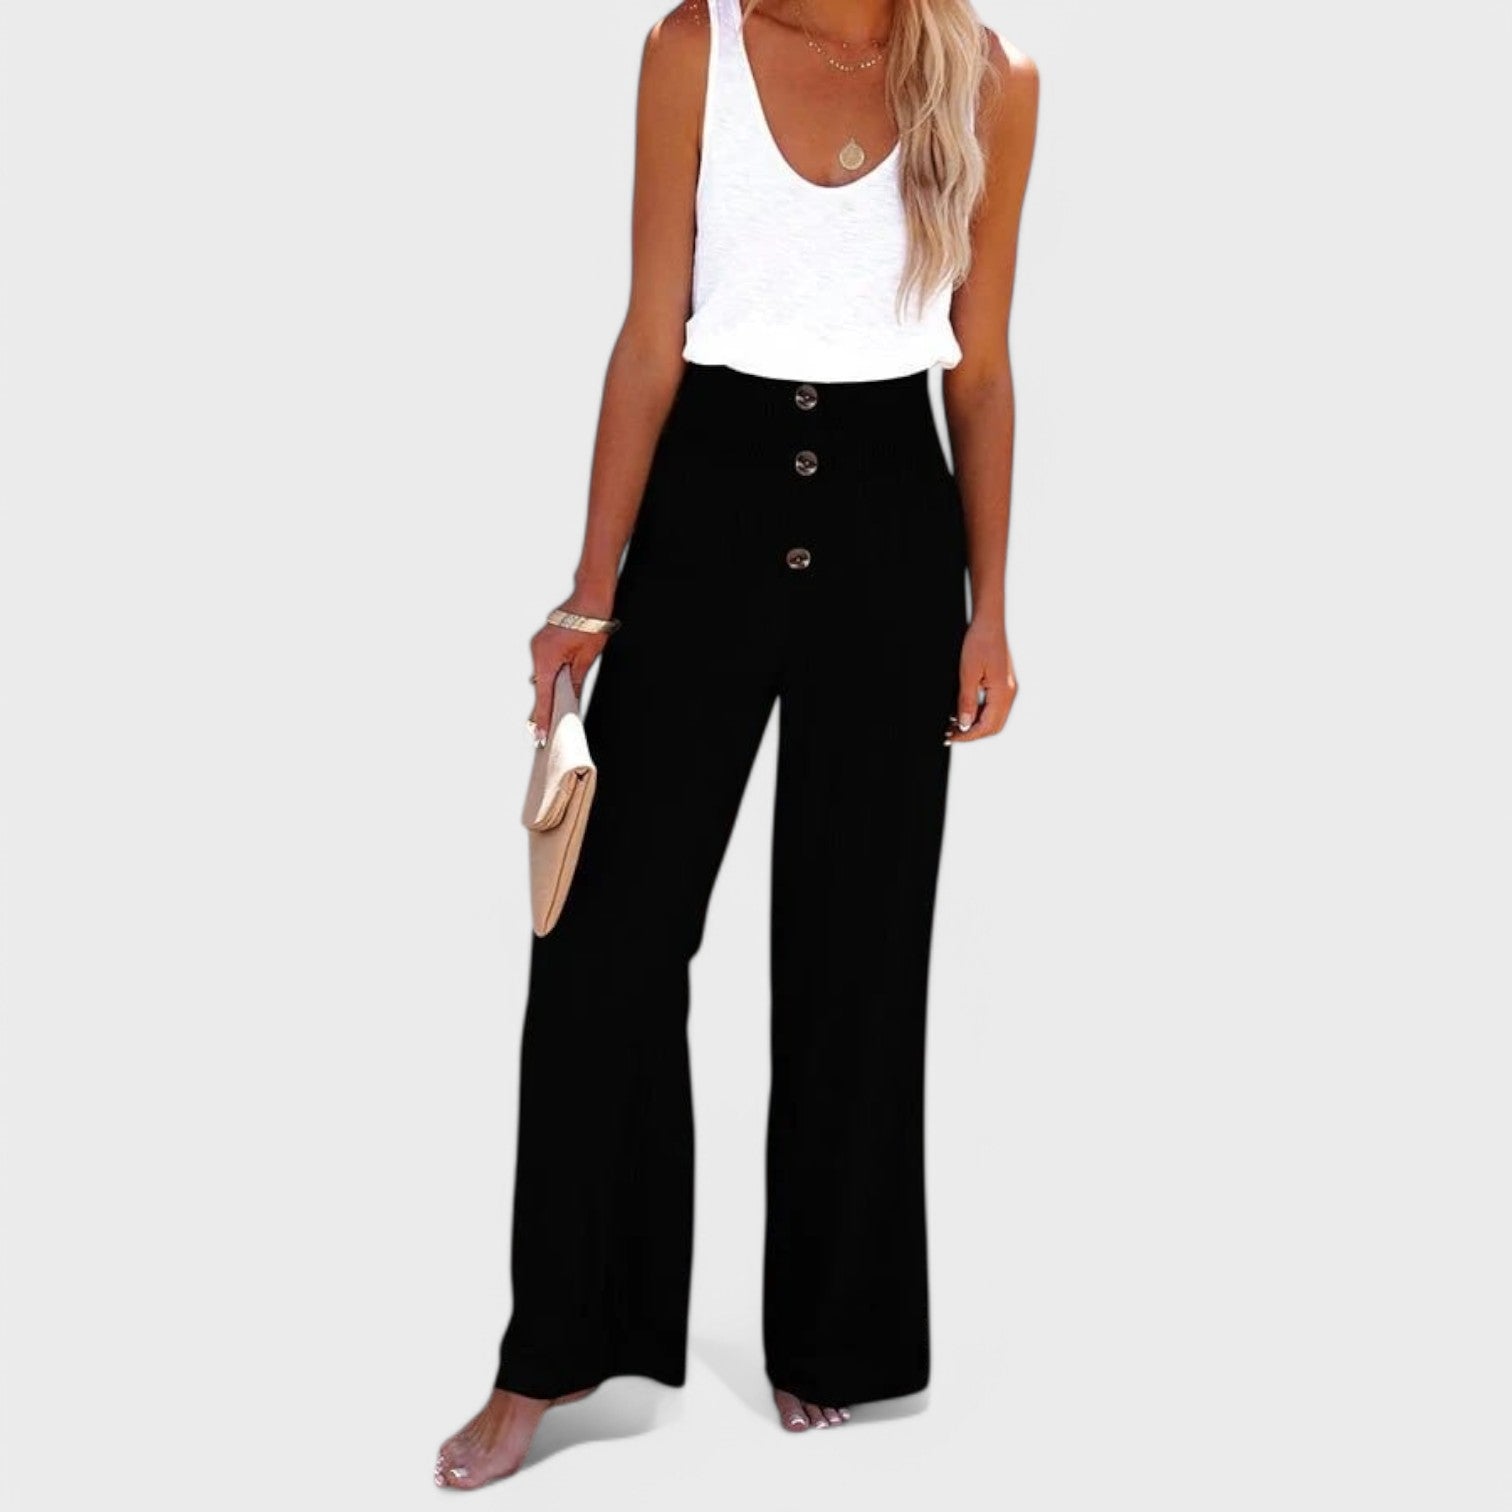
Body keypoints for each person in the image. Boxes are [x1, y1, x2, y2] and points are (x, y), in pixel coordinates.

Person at [435, 0, 1038, 1487]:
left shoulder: (989, 76)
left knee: (858, 954)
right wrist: (592, 591)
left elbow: (979, 367)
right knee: (603, 945)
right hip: (709, 501)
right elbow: (651, 335)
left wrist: (991, 609)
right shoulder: (692, 47)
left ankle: (835, 1339)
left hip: (894, 528)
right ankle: (557, 1349)